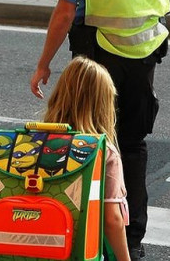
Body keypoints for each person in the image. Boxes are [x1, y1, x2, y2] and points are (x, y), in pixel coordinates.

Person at [29, 0, 170, 260]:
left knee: (87, 145)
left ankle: (84, 234)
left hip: (96, 63)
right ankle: (131, 242)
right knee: (132, 147)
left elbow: (65, 10)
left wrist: (44, 63)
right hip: (143, 60)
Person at [42, 56, 131, 261]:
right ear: (104, 105)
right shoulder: (103, 153)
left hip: (34, 246)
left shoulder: (35, 142)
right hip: (76, 251)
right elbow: (112, 220)